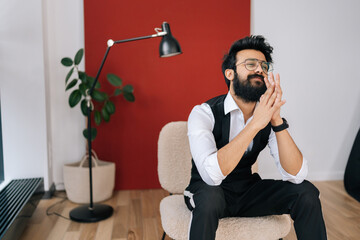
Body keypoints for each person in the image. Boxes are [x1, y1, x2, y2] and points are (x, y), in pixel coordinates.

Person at [184, 35, 327, 240]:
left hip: (246, 191)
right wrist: (255, 125)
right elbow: (211, 176)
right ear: (230, 73)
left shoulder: (267, 116)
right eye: (250, 64)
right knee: (209, 198)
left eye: (264, 66)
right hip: (206, 190)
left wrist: (276, 120)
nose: (260, 69)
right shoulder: (203, 113)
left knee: (306, 192)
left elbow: (296, 175)